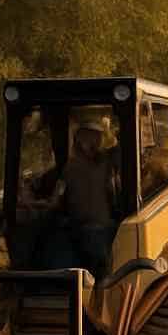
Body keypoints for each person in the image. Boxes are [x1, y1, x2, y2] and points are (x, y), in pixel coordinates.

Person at [20, 116, 119, 279]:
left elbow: (55, 201)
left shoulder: (69, 169)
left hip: (82, 231)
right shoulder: (107, 166)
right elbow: (113, 195)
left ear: (78, 142)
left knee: (53, 238)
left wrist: (33, 204)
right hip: (102, 232)